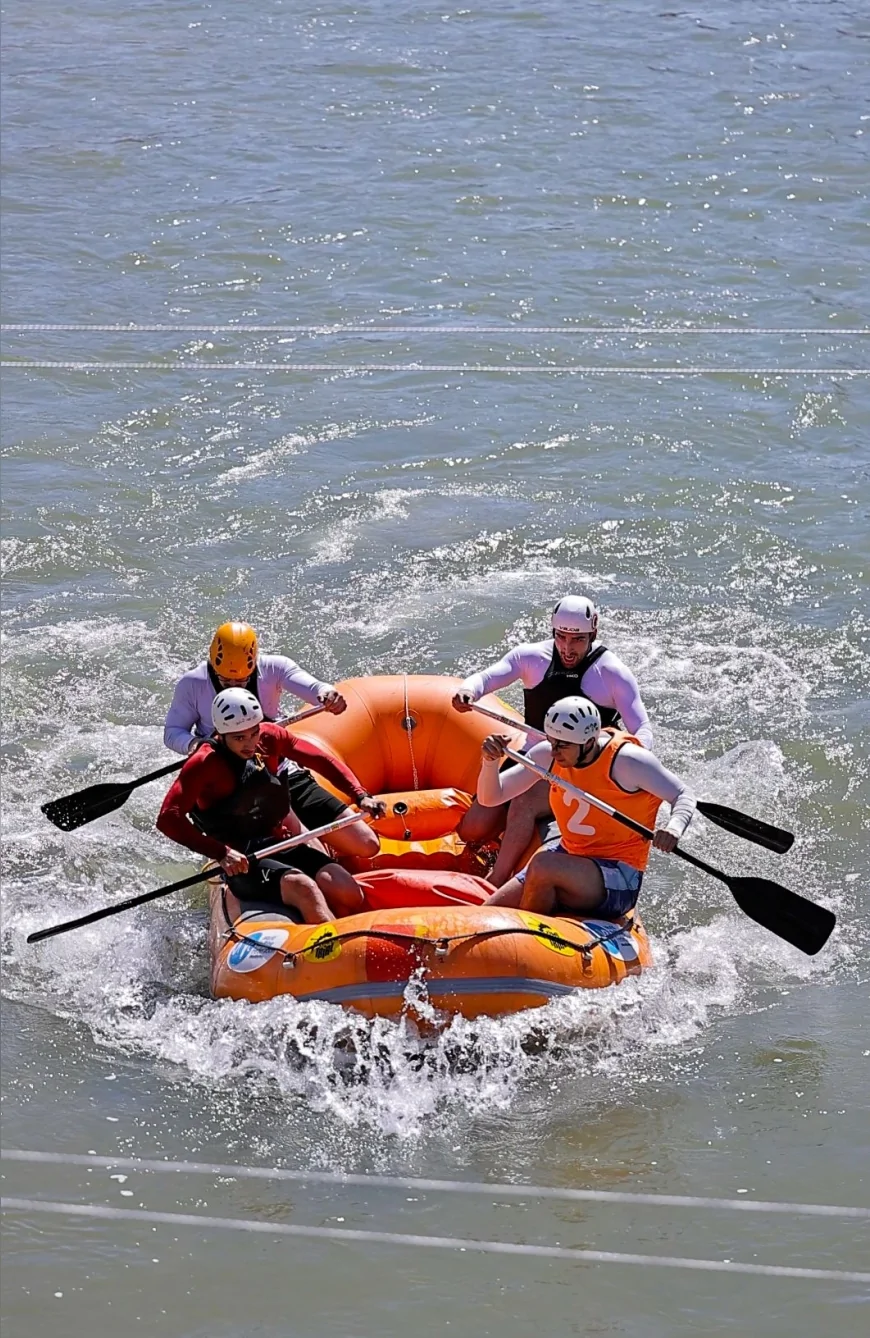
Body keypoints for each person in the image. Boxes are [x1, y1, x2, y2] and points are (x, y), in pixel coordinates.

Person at [452, 596, 653, 885]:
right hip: (533, 757)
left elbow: (642, 728)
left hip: (579, 770)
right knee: (473, 829)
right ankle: (501, 840)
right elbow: (485, 678)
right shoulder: (531, 657)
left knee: (524, 800)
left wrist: (625, 764)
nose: (568, 648)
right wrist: (468, 691)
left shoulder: (611, 673)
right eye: (561, 637)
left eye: (578, 639)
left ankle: (497, 879)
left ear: (593, 634)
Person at [156, 688, 387, 924]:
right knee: (304, 887)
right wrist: (221, 853)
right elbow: (168, 818)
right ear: (221, 734)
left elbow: (320, 760)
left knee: (347, 890)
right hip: (242, 858)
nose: (249, 744)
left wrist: (360, 796)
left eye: (253, 733)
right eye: (239, 738)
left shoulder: (269, 736)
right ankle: (333, 942)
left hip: (278, 841)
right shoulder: (204, 763)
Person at [476, 695, 695, 920]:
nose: (554, 752)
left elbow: (682, 794)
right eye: (552, 741)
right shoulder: (549, 754)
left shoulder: (628, 761)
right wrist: (490, 762)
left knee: (542, 864)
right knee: (487, 912)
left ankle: (526, 931)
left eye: (563, 745)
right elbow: (490, 798)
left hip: (618, 875)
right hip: (569, 854)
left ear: (589, 742)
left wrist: (674, 828)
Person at [164, 621, 347, 756]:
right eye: (225, 681)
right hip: (220, 757)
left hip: (268, 750)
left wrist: (327, 695)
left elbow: (315, 688)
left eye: (241, 680)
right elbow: (173, 731)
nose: (233, 686)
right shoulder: (192, 683)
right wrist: (194, 744)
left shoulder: (275, 668)